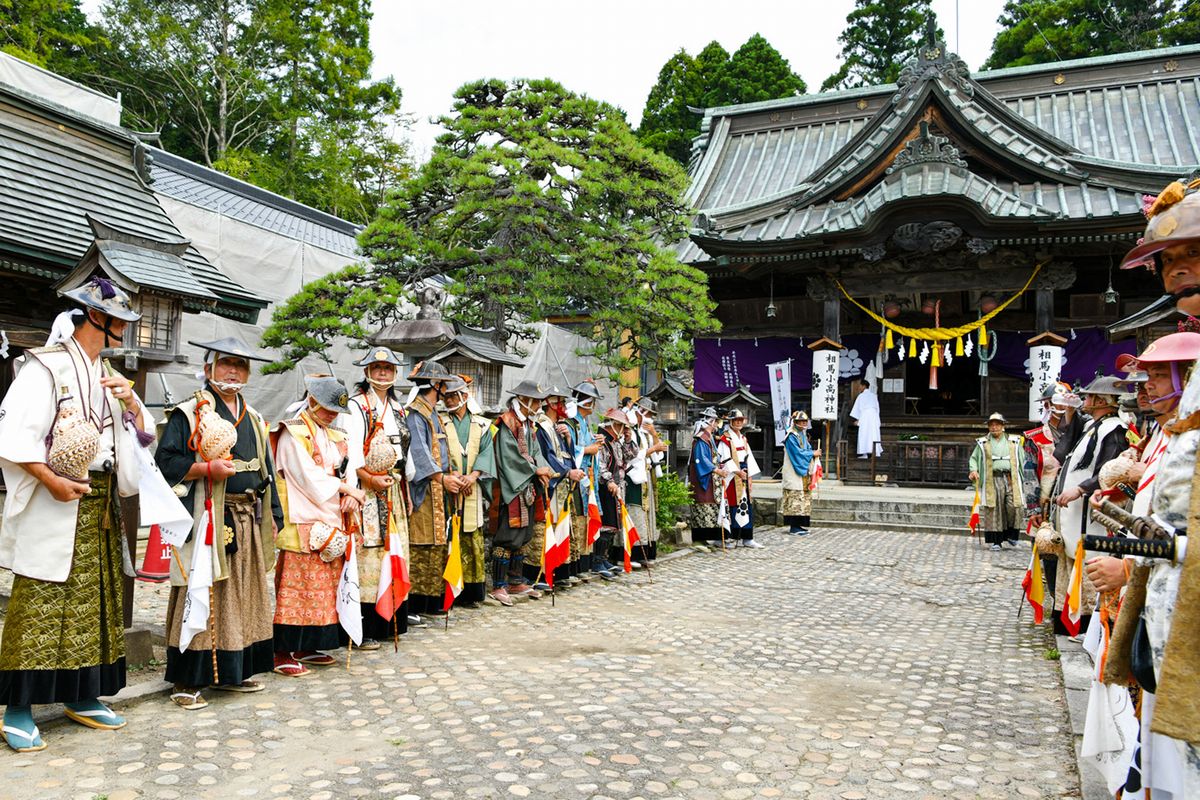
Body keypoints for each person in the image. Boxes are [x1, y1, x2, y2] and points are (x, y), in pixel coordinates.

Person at [0, 276, 149, 750]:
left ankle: (81, 694)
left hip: (100, 501)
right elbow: (15, 437)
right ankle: (17, 708)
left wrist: (131, 403)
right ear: (97, 318)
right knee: (41, 598)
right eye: (120, 320)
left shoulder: (108, 376)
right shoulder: (44, 367)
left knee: (95, 601)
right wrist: (50, 479)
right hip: (57, 496)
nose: (125, 329)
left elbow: (140, 437)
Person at [1105, 185, 1200, 797]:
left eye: (1192, 252)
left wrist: (1156, 553)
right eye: (1167, 258)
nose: (1177, 269)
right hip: (1170, 610)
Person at [155, 337, 282, 709]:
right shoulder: (190, 413)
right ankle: (188, 677)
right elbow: (165, 463)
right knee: (202, 588)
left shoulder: (254, 417)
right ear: (209, 368)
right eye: (226, 363)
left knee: (243, 593)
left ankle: (232, 670)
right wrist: (203, 468)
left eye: (240, 365)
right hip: (208, 512)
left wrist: (275, 516)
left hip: (248, 515)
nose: (233, 372)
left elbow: (267, 470)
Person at [271, 375, 364, 677]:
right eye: (326, 409)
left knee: (324, 588)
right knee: (296, 589)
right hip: (302, 516)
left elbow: (347, 468)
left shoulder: (334, 433)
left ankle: (308, 645)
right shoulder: (292, 433)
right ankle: (281, 651)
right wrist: (346, 490)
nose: (331, 415)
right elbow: (308, 478)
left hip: (332, 516)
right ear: (311, 401)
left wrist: (350, 495)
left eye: (335, 411)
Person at [1050, 375, 1128, 636]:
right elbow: (1065, 448)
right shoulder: (1092, 426)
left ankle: (1085, 624)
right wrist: (1070, 413)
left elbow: (1109, 471)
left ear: (1101, 401)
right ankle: (1069, 619)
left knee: (1089, 563)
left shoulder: (1114, 430)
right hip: (1075, 512)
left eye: (1090, 397)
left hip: (1090, 512)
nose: (1085, 400)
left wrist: (1081, 488)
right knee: (1073, 561)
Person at [345, 347, 412, 646]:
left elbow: (405, 454)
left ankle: (393, 614)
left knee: (394, 548)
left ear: (395, 373)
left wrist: (405, 486)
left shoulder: (398, 409)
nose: (383, 372)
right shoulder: (357, 406)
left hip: (393, 487)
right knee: (370, 551)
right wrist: (369, 480)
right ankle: (367, 624)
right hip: (368, 490)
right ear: (367, 371)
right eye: (377, 367)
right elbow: (353, 452)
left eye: (388, 368)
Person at [404, 360, 461, 615]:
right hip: (424, 489)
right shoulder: (416, 414)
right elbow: (419, 452)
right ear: (435, 385)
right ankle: (415, 603)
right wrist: (441, 478)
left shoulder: (433, 413)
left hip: (438, 487)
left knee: (438, 543)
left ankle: (431, 599)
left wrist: (452, 473)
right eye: (443, 386)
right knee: (421, 543)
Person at [488, 379, 551, 604]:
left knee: (524, 535)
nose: (539, 407)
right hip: (511, 486)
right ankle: (498, 585)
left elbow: (536, 451)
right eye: (536, 402)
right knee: (507, 535)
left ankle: (515, 581)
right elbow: (509, 457)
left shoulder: (527, 425)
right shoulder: (506, 423)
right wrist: (536, 469)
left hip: (528, 486)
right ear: (524, 400)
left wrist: (543, 470)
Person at [440, 374, 495, 607]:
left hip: (473, 485)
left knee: (472, 535)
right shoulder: (440, 422)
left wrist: (473, 477)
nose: (450, 400)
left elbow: (486, 453)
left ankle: (471, 592)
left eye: (454, 396)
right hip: (449, 486)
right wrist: (451, 476)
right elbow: (439, 453)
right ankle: (450, 590)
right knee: (449, 534)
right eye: (446, 396)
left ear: (465, 396)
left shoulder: (483, 425)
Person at [968, 413, 1027, 551]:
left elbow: (1023, 459)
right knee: (994, 509)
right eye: (991, 425)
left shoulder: (1014, 441)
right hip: (992, 479)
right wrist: (973, 470)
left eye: (997, 424)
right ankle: (996, 541)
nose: (994, 427)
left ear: (1003, 426)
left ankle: (1012, 535)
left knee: (1014, 506)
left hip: (1010, 478)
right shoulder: (983, 442)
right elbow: (974, 459)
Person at [564, 379, 604, 579]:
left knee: (586, 517)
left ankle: (585, 562)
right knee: (578, 518)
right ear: (587, 402)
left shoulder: (584, 423)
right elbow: (571, 449)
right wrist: (589, 449)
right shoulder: (571, 422)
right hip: (577, 477)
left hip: (588, 477)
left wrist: (596, 442)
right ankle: (576, 563)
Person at [595, 407, 636, 571]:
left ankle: (604, 558)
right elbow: (600, 464)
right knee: (606, 524)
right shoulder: (602, 440)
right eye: (622, 426)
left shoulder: (615, 441)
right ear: (614, 424)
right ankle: (597, 561)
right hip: (605, 487)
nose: (623, 430)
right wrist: (609, 481)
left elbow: (630, 455)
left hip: (616, 487)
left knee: (613, 525)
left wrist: (627, 439)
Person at [627, 397, 668, 563]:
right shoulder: (629, 430)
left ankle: (646, 550)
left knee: (645, 513)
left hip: (646, 475)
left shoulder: (643, 432)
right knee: (635, 512)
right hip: (633, 476)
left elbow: (658, 454)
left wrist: (653, 434)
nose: (649, 417)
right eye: (648, 413)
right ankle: (633, 552)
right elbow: (631, 456)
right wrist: (653, 449)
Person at [716, 409, 762, 548]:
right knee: (732, 505)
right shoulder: (725, 439)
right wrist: (737, 472)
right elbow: (725, 459)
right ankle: (729, 537)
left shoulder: (743, 438)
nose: (738, 423)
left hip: (744, 471)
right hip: (732, 475)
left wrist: (749, 477)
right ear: (730, 421)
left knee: (745, 505)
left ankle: (747, 537)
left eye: (741, 420)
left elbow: (749, 458)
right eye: (736, 420)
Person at [687, 407, 728, 547]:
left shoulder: (707, 437)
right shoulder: (701, 439)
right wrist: (716, 469)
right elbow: (702, 460)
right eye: (716, 422)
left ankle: (708, 538)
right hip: (703, 478)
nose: (717, 425)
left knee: (710, 505)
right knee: (703, 504)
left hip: (711, 477)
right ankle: (700, 539)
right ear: (712, 422)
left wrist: (719, 466)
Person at [781, 411, 818, 536]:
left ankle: (799, 525)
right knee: (794, 498)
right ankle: (794, 527)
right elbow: (797, 453)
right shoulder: (791, 436)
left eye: (805, 422)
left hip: (803, 472)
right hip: (793, 471)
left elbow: (806, 449)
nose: (803, 424)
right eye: (801, 422)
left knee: (803, 498)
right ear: (795, 423)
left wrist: (812, 454)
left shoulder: (802, 434)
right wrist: (812, 453)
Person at [849, 378, 882, 458]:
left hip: (865, 416)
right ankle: (875, 452)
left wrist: (858, 420)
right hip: (874, 416)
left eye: (860, 386)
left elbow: (858, 408)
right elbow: (877, 409)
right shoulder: (874, 396)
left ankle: (864, 453)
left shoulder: (861, 396)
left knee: (864, 434)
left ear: (864, 386)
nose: (859, 387)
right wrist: (878, 419)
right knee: (873, 434)